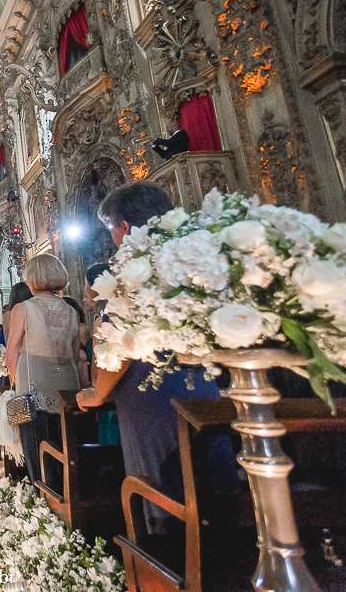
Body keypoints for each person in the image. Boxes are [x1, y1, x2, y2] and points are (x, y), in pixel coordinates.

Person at [76, 181, 235, 534]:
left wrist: (98, 394)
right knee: (214, 487)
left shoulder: (130, 271)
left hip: (151, 396)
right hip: (201, 387)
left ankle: (170, 564)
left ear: (126, 228)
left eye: (111, 230)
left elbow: (118, 349)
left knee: (164, 494)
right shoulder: (197, 256)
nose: (114, 240)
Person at [4, 253, 80, 487]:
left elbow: (11, 352)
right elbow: (74, 353)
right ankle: (66, 494)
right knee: (64, 442)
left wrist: (14, 382)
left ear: (34, 278)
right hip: (68, 383)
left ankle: (42, 497)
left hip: (33, 382)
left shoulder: (23, 308)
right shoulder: (71, 310)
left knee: (35, 444)